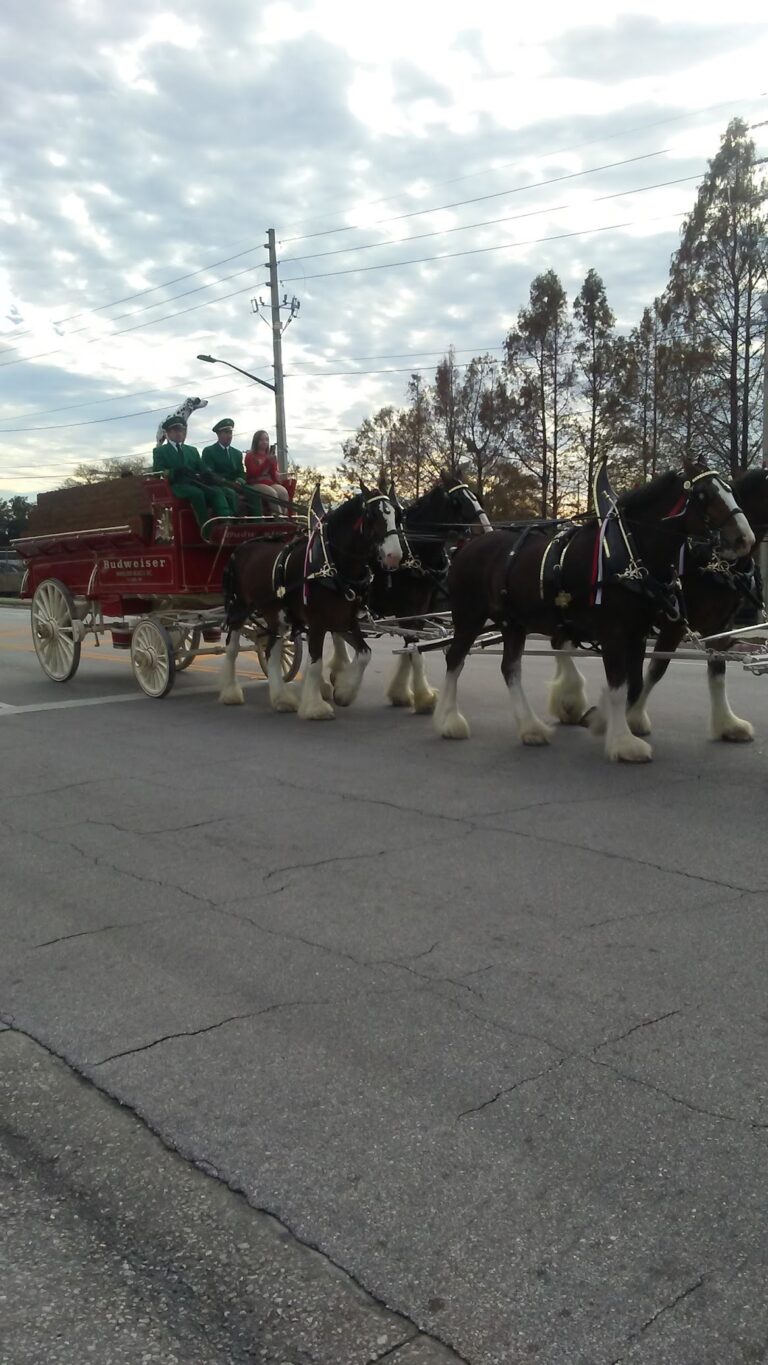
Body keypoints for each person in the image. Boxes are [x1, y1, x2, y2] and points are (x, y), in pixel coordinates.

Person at [152, 417, 231, 528]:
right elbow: (157, 472)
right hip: (176, 486)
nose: (180, 433)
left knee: (216, 491)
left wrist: (208, 474)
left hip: (194, 483)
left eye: (181, 430)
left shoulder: (192, 450)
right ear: (168, 433)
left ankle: (225, 521)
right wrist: (175, 472)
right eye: (176, 430)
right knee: (197, 494)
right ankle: (206, 529)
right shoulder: (160, 451)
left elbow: (201, 467)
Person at [201, 419, 262, 516]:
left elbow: (241, 472)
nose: (229, 436)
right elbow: (210, 474)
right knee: (230, 493)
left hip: (236, 484)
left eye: (230, 433)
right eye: (226, 433)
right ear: (218, 434)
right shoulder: (209, 451)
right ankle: (234, 523)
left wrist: (239, 480)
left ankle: (259, 523)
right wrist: (226, 482)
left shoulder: (236, 453)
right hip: (220, 486)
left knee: (254, 493)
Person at [244, 430, 291, 515]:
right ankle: (278, 519)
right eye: (261, 440)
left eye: (266, 440)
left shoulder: (270, 456)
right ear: (256, 441)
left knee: (283, 492)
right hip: (255, 483)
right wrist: (266, 462)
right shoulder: (250, 455)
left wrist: (273, 464)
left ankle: (284, 517)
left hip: (269, 482)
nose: (264, 442)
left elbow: (273, 475)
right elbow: (254, 473)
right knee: (271, 493)